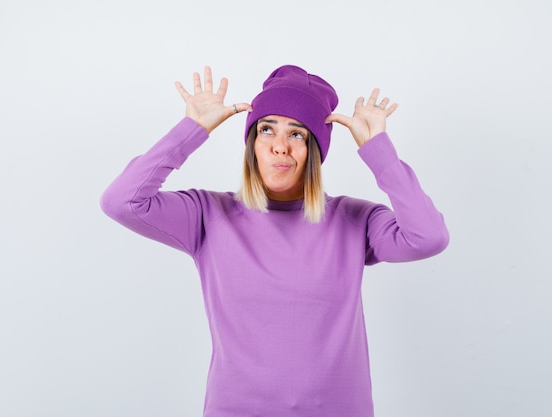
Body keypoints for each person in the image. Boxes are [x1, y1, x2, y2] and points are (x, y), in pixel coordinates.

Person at [100, 65, 449, 417]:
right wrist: (192, 130)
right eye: (267, 130)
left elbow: (428, 237)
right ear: (252, 144)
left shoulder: (354, 220)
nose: (280, 147)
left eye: (297, 134)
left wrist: (378, 151)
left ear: (314, 150)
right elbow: (122, 202)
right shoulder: (208, 215)